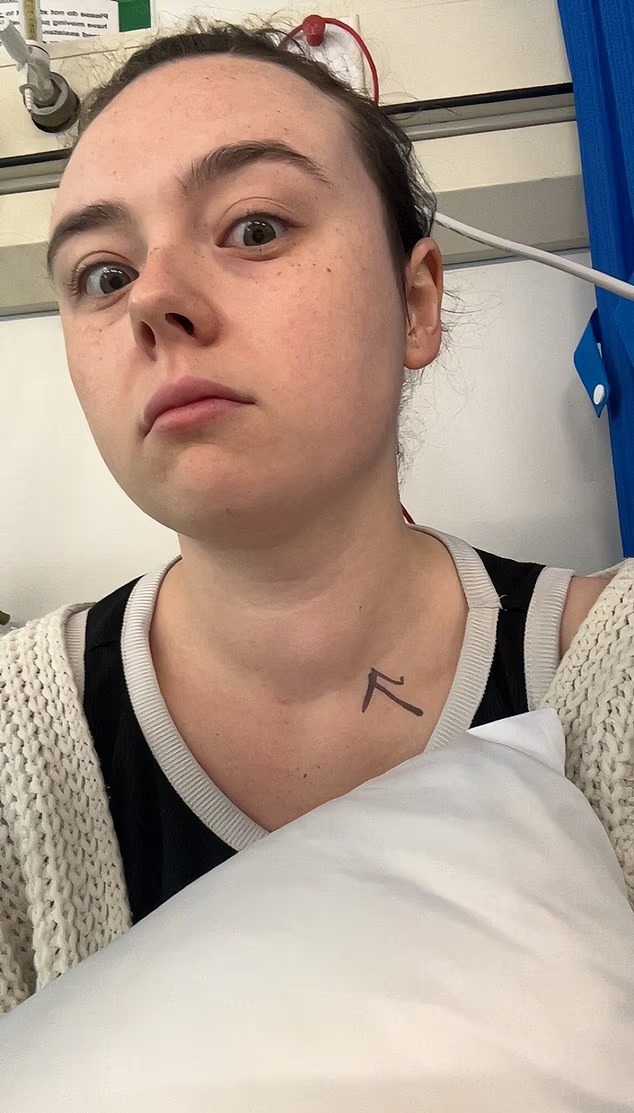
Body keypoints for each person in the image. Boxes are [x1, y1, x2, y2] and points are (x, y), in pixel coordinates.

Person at [1, 18, 632, 1017]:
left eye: (254, 228)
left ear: (416, 303)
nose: (152, 300)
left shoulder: (614, 675)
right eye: (103, 276)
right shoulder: (14, 753)